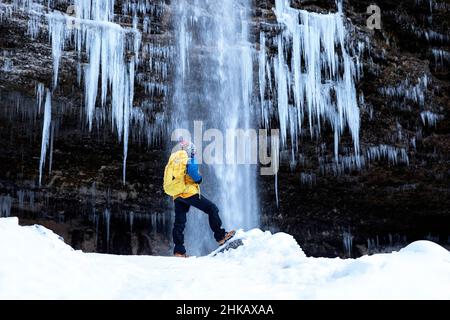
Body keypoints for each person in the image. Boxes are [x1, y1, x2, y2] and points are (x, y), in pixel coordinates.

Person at [166, 139, 235, 258]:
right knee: (211, 208)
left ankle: (179, 251)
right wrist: (199, 179)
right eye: (194, 151)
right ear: (190, 151)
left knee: (179, 223)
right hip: (189, 193)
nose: (195, 153)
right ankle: (221, 236)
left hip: (177, 195)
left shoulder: (174, 161)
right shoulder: (189, 159)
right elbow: (193, 172)